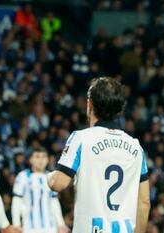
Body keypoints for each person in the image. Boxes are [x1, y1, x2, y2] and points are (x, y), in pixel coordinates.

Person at [47, 77, 150, 233]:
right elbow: (144, 202)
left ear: (90, 104)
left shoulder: (81, 139)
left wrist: (49, 176)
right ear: (119, 109)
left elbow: (58, 184)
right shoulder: (136, 147)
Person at [11, 147, 69, 233]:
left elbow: (54, 201)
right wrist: (16, 224)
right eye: (37, 157)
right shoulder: (22, 176)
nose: (41, 160)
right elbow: (17, 200)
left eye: (44, 157)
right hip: (29, 228)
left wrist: (61, 224)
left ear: (47, 160)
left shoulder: (51, 176)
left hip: (50, 227)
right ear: (31, 160)